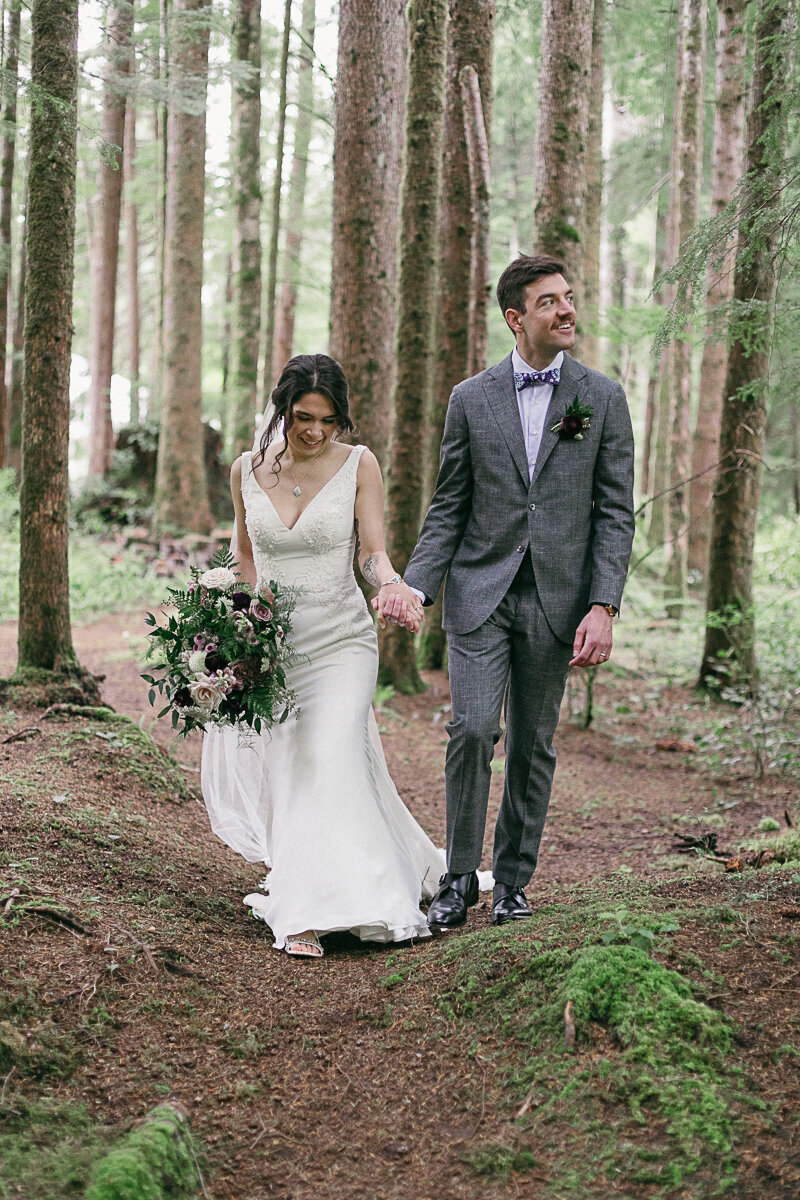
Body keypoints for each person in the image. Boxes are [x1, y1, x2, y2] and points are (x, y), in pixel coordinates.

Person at [375, 254, 635, 930]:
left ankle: (513, 883)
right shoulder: (470, 398)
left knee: (533, 744)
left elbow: (614, 511)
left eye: (570, 297)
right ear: (517, 318)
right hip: (479, 594)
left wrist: (603, 605)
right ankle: (459, 878)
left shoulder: (600, 398)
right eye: (550, 301)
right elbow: (448, 506)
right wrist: (416, 587)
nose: (567, 309)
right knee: (470, 730)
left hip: (558, 602)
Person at [201, 353, 444, 958]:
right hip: (275, 647)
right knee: (293, 766)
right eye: (303, 417)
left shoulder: (359, 464)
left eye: (328, 420)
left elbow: (371, 553)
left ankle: (357, 899)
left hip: (341, 640)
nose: (314, 431)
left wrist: (390, 584)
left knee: (329, 749)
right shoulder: (245, 471)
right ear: (282, 409)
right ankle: (306, 896)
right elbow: (247, 558)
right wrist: (234, 628)